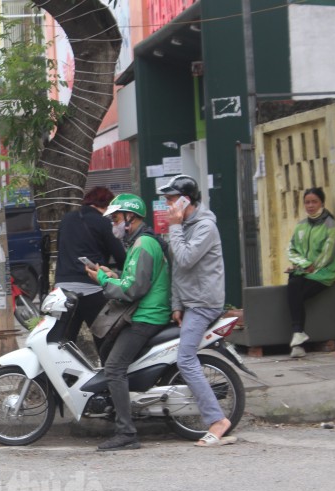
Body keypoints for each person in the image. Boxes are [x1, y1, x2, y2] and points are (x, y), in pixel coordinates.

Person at [85, 194, 171, 452]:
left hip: (146, 316)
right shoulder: (140, 243)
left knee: (113, 367)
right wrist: (114, 274)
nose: (113, 223)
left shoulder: (143, 244)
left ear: (130, 217)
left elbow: (133, 290)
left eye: (116, 218)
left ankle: (127, 432)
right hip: (146, 311)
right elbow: (134, 278)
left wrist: (102, 279)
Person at [158, 174, 236, 447]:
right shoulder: (185, 224)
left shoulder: (204, 227)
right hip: (190, 303)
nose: (167, 205)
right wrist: (177, 305)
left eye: (170, 200)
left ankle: (218, 420)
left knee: (185, 359)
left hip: (204, 304)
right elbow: (177, 269)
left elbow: (186, 258)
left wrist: (175, 227)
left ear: (185, 200)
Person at [54, 186, 127, 343]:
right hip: (92, 288)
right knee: (104, 338)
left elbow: (59, 248)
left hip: (63, 289)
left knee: (64, 341)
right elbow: (121, 257)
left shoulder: (66, 219)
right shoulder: (103, 223)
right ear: (106, 205)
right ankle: (108, 366)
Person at [286, 187, 335, 358]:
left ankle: (298, 337)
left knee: (296, 292)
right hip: (305, 272)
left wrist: (302, 267)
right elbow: (291, 249)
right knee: (294, 283)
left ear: (322, 203)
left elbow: (327, 256)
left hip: (324, 274)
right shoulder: (301, 225)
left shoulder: (331, 226)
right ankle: (298, 335)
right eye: (307, 202)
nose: (310, 205)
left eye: (314, 202)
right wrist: (302, 265)